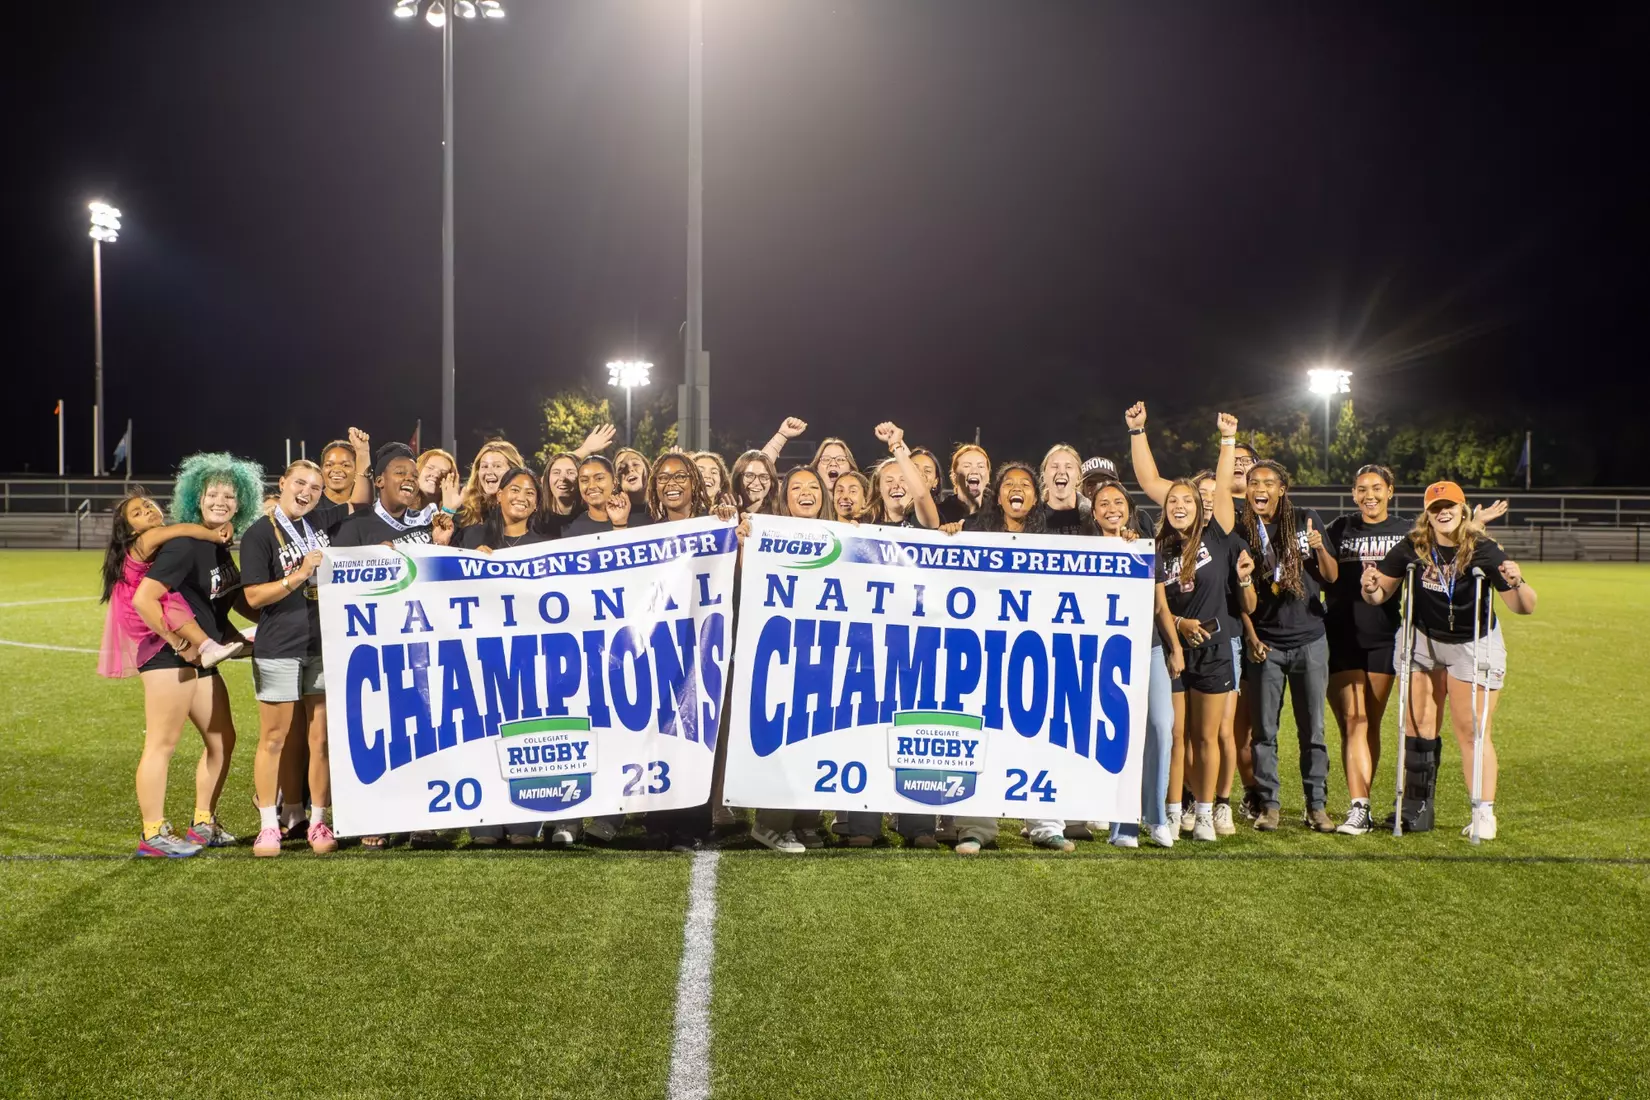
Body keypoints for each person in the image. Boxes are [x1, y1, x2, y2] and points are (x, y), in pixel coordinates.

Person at [1362, 481, 1535, 841]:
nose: (1443, 512)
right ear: (1427, 512)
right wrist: (1369, 586)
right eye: (1436, 506)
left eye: (1450, 506)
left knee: (1471, 729)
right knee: (1418, 724)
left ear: (1462, 508)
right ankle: (1416, 808)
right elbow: (1381, 593)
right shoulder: (1414, 545)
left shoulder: (1483, 549)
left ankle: (1483, 811)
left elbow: (1525, 606)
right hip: (1423, 639)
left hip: (1472, 643)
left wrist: (1518, 583)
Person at [128, 452, 262, 857]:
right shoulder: (184, 543)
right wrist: (177, 642)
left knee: (222, 739)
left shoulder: (220, 548)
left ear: (242, 504)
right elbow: (144, 598)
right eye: (212, 493)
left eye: (229, 495)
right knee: (162, 745)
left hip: (200, 662)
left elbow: (230, 605)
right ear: (196, 498)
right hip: (170, 658)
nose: (220, 500)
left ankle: (203, 822)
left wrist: (267, 634)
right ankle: (153, 834)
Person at [1152, 414, 1255, 842]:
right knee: (1176, 736)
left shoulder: (1218, 536)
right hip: (1172, 647)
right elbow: (1154, 603)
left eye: (1187, 501)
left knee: (1208, 735)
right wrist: (1177, 625)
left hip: (1213, 646)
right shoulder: (1156, 546)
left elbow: (1228, 490)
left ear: (1200, 507)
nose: (1179, 506)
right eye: (1172, 500)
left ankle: (1208, 812)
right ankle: (1174, 811)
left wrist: (1228, 440)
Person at [455, 467, 560, 847]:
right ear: (497, 496)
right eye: (514, 489)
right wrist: (471, 564)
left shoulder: (547, 544)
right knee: (484, 729)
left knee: (525, 732)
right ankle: (486, 812)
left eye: (530, 492)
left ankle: (523, 814)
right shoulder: (471, 538)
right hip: (480, 658)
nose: (522, 496)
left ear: (537, 502)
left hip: (528, 659)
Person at [240, 460, 338, 857]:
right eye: (300, 483)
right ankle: (268, 824)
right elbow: (252, 597)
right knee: (274, 738)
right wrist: (297, 576)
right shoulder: (259, 534)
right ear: (282, 484)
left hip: (321, 644)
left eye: (315, 487)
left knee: (321, 740)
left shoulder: (317, 528)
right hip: (280, 647)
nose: (307, 492)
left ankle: (317, 820)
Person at [1236, 459, 1337, 832]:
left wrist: (1320, 548)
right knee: (1264, 732)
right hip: (1268, 644)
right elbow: (1238, 595)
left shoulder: (1307, 518)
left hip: (1310, 639)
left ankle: (1317, 806)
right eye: (1253, 482)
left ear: (1282, 488)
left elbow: (1331, 576)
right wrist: (1251, 635)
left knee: (1313, 731)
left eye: (1268, 482)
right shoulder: (1242, 529)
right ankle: (1270, 806)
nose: (1260, 488)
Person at [1083, 477, 1179, 848]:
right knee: (1117, 733)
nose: (1112, 508)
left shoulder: (1141, 548)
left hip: (1149, 646)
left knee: (1160, 726)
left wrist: (1174, 646)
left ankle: (1156, 817)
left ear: (1129, 508)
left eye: (1118, 502)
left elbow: (1159, 604)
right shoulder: (1082, 551)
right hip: (1107, 652)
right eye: (1103, 503)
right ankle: (1121, 824)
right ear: (1093, 512)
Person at [749, 467, 838, 853]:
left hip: (827, 651)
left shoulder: (843, 535)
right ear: (784, 497)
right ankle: (770, 823)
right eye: (797, 487)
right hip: (783, 652)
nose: (806, 493)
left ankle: (805, 820)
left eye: (813, 487)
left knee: (819, 736)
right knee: (784, 735)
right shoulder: (767, 532)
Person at [99, 496, 243, 678]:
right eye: (138, 513)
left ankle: (218, 648)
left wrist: (225, 525)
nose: (147, 510)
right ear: (132, 531)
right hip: (136, 604)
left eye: (148, 505)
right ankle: (208, 646)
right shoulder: (148, 537)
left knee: (178, 600)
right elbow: (183, 529)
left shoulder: (152, 537)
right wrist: (215, 536)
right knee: (175, 603)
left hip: (131, 604)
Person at [867, 423, 940, 529]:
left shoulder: (922, 521)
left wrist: (896, 445)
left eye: (903, 480)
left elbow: (921, 494)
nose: (896, 486)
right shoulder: (866, 524)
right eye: (889, 481)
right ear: (878, 488)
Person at [456, 441, 526, 528]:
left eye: (497, 466)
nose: (489, 472)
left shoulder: (526, 508)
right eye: (484, 466)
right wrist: (448, 509)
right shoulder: (466, 510)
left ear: (513, 470)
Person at [565, 455, 637, 538]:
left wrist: (620, 524)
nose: (591, 486)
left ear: (614, 482)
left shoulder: (639, 519)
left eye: (599, 478)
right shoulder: (574, 531)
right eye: (584, 480)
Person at [938, 443, 991, 524]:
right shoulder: (939, 513)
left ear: (988, 477)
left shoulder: (998, 514)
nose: (974, 471)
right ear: (954, 477)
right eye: (967, 466)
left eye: (981, 466)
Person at [730, 450, 780, 515]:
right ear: (738, 478)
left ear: (772, 482)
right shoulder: (724, 515)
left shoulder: (782, 514)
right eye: (749, 475)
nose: (756, 483)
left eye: (764, 477)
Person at [614, 447, 651, 513]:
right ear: (616, 481)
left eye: (635, 464)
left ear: (647, 470)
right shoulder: (613, 510)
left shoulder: (664, 505)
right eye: (622, 468)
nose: (629, 469)